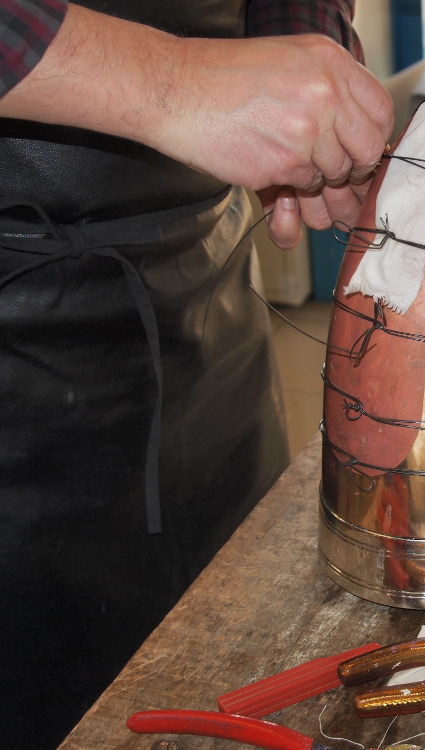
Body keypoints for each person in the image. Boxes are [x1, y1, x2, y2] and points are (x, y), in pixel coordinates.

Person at [0, 1, 393, 747]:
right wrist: (173, 82)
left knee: (249, 642)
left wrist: (301, 52)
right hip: (15, 338)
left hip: (205, 301)